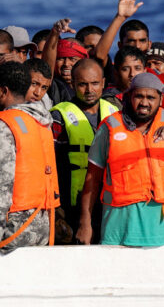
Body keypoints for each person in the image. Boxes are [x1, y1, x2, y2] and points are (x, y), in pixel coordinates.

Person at [76, 72, 164, 247]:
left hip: (161, 234)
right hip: (118, 231)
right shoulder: (110, 127)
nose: (145, 103)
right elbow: (92, 179)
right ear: (130, 96)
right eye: (139, 96)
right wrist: (85, 222)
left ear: (160, 100)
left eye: (151, 97)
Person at [0, 62, 59, 267]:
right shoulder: (41, 122)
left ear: (4, 91)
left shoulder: (4, 124)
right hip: (42, 223)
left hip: (12, 228)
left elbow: (0, 184)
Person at [51, 58, 120, 241]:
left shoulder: (116, 113)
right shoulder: (59, 115)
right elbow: (49, 164)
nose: (89, 90)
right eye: (82, 84)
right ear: (72, 84)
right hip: (70, 204)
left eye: (95, 83)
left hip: (110, 203)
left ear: (104, 82)